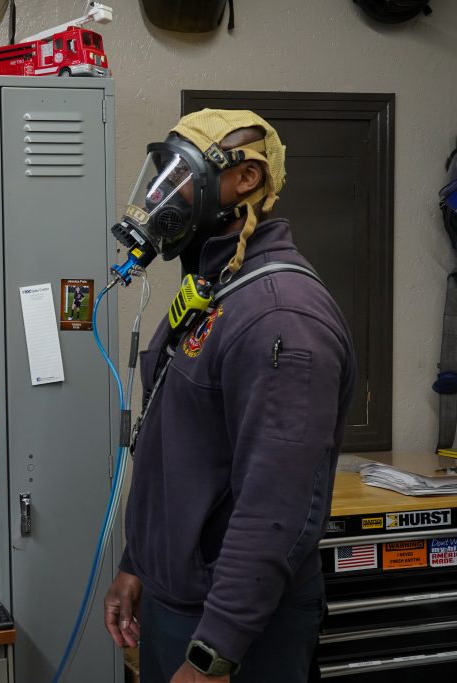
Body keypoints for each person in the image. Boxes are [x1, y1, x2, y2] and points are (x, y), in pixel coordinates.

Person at [103, 110, 356, 683]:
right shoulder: (214, 293)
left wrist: (213, 654)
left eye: (180, 175)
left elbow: (276, 509)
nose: (160, 194)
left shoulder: (280, 316)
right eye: (159, 173)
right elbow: (180, 454)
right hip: (177, 605)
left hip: (235, 632)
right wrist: (137, 563)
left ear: (245, 180)